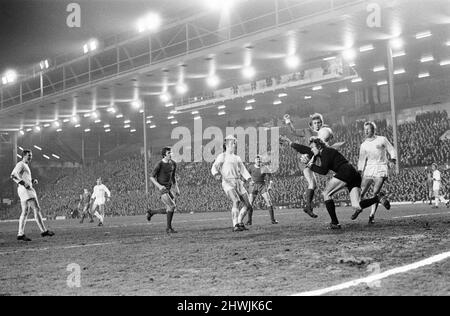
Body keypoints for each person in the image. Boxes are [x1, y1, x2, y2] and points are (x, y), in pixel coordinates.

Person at [280, 136, 390, 229]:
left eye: (313, 148)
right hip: (354, 174)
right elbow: (306, 150)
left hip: (344, 172)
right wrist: (291, 144)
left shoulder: (326, 152)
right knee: (357, 206)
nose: (311, 150)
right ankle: (378, 198)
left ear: (318, 146)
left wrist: (309, 165)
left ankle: (335, 223)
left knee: (326, 194)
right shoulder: (325, 152)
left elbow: (323, 171)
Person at [283, 113, 344, 216]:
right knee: (312, 183)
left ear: (322, 123)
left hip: (313, 160)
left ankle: (308, 206)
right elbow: (293, 131)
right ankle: (308, 207)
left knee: (314, 185)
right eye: (315, 123)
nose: (317, 124)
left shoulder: (323, 133)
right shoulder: (307, 131)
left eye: (319, 122)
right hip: (304, 158)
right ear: (311, 124)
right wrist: (288, 121)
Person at [10, 149, 55, 241]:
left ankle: (20, 234)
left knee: (25, 211)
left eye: (31, 155)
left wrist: (31, 180)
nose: (31, 157)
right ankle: (43, 231)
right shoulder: (20, 164)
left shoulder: (24, 165)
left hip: (23, 189)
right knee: (36, 208)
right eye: (29, 155)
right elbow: (13, 175)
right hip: (26, 190)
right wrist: (24, 183)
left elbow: (22, 177)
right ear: (24, 156)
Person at [357, 122, 396, 224]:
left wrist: (392, 160)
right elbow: (361, 160)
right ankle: (360, 208)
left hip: (381, 168)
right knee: (360, 193)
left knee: (375, 193)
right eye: (365, 129)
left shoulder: (382, 139)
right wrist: (360, 170)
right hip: (369, 169)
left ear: (373, 130)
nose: (366, 131)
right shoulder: (363, 145)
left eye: (368, 129)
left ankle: (371, 215)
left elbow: (391, 149)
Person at [211, 135, 252, 232]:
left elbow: (243, 170)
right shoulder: (222, 156)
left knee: (248, 205)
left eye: (235, 143)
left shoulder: (237, 157)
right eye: (233, 143)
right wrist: (216, 174)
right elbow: (214, 167)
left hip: (238, 182)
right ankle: (235, 225)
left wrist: (249, 178)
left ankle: (240, 222)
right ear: (227, 144)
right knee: (236, 201)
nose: (235, 145)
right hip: (227, 182)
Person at [146, 147, 180, 234]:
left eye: (171, 152)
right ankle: (168, 228)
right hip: (161, 189)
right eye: (169, 153)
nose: (170, 154)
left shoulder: (173, 164)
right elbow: (151, 177)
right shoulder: (159, 164)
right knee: (172, 206)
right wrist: (160, 186)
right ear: (164, 154)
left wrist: (176, 188)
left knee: (170, 208)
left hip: (168, 189)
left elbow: (173, 177)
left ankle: (151, 212)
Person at [246, 155, 278, 225]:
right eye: (257, 159)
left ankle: (273, 220)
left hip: (262, 185)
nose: (258, 161)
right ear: (254, 160)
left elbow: (270, 177)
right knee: (250, 203)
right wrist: (249, 181)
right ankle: (249, 221)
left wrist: (270, 185)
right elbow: (246, 175)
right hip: (253, 186)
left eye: (259, 159)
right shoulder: (251, 167)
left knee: (269, 201)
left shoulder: (264, 168)